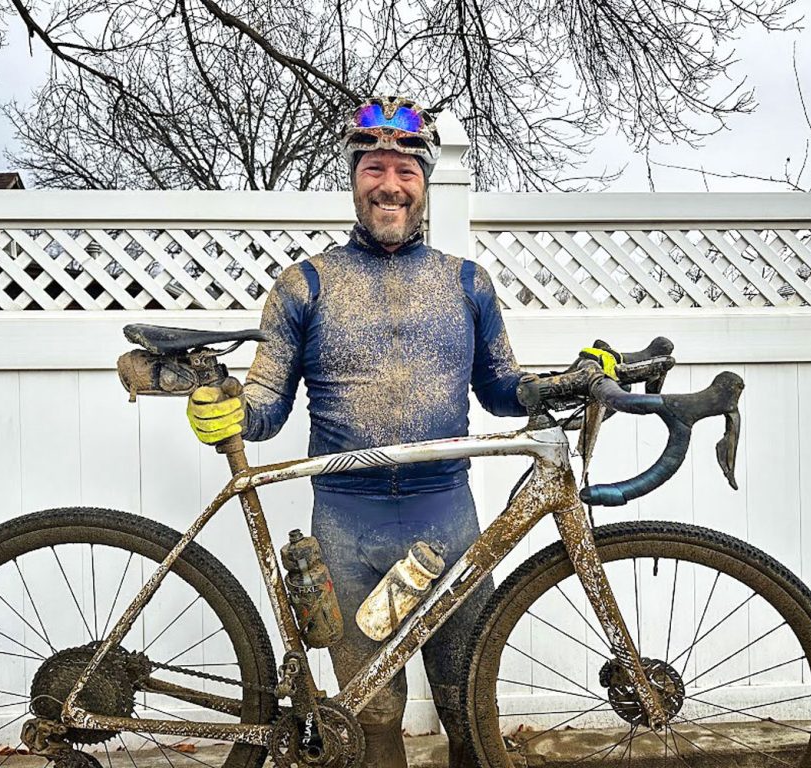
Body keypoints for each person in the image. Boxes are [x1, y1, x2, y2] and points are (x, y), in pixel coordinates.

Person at [185, 96, 614, 768]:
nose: (389, 184)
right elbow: (266, 406)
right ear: (354, 179)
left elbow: (504, 389)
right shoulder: (304, 285)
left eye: (405, 172)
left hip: (448, 522)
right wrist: (230, 409)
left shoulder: (467, 283)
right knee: (372, 722)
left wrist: (560, 384)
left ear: (424, 183)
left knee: (470, 707)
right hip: (346, 531)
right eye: (374, 168)